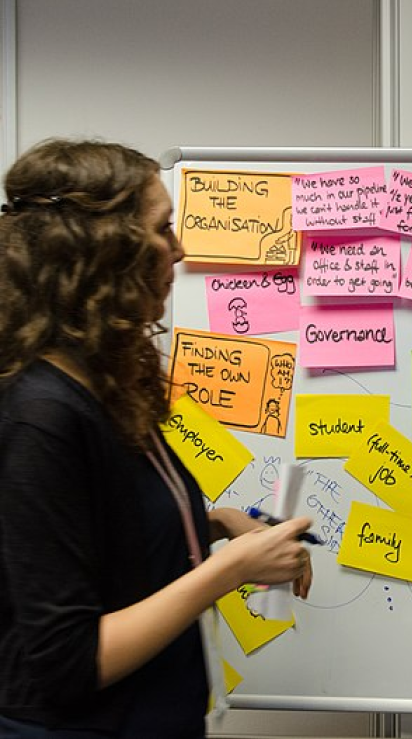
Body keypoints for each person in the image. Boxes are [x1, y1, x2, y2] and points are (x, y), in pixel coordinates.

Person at [0, 139, 314, 738]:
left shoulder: (100, 382)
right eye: (163, 228)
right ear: (104, 251)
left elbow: (106, 530)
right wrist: (230, 570)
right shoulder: (40, 417)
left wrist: (218, 523)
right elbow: (70, 661)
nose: (179, 249)